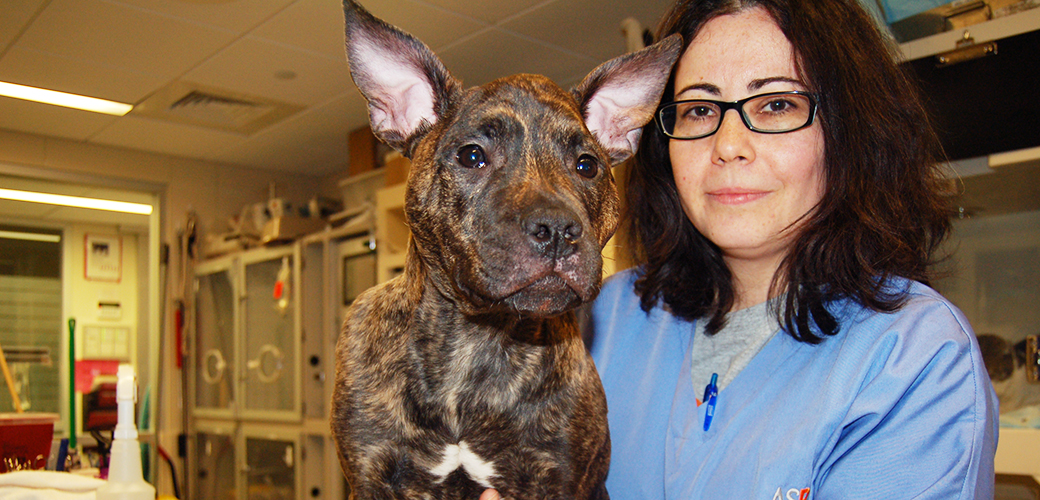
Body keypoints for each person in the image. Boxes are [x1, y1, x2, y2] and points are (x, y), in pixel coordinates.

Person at [483, 0, 997, 499]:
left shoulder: (915, 357)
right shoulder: (601, 316)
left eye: (777, 104)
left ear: (848, 129)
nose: (728, 143)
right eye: (700, 109)